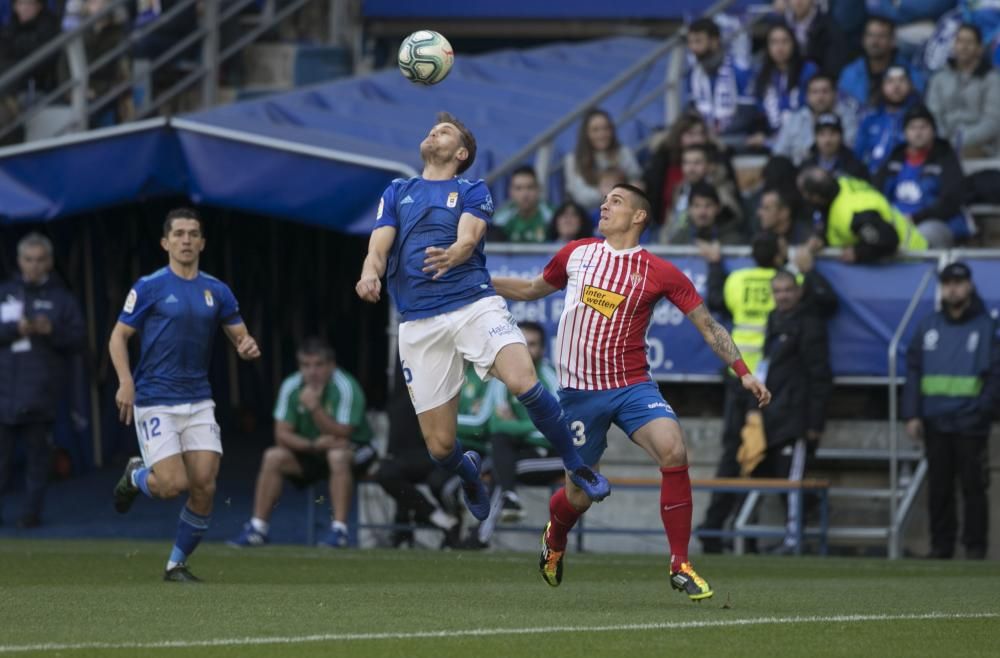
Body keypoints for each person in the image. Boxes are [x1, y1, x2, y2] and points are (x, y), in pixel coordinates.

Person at [492, 183, 771, 601]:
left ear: (639, 216)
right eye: (604, 200)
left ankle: (680, 563)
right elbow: (532, 290)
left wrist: (743, 371)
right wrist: (481, 282)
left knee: (674, 450)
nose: (605, 205)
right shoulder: (577, 253)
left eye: (616, 201)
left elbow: (708, 326)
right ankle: (557, 533)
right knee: (579, 496)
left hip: (633, 386)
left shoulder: (660, 272)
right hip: (580, 395)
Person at [355, 112, 610, 529]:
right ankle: (469, 474)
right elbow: (379, 243)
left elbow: (470, 236)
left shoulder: (471, 189)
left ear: (461, 153)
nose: (433, 131)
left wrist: (459, 250)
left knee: (524, 380)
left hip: (473, 304)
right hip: (419, 322)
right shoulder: (398, 190)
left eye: (445, 131)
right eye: (432, 127)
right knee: (439, 447)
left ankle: (576, 463)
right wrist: (369, 272)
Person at [110, 207, 261, 582]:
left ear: (203, 242)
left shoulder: (217, 290)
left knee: (205, 485)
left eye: (193, 234)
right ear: (165, 242)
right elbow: (118, 337)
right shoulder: (149, 287)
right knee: (171, 486)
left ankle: (175, 564)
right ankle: (136, 476)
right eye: (178, 234)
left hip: (198, 400)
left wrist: (246, 346)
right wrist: (125, 381)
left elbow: (239, 334)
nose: (186, 240)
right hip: (156, 398)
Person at [229, 338, 375, 548]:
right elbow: (281, 435)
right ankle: (257, 529)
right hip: (315, 450)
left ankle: (339, 531)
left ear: (331, 365)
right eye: (306, 365)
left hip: (356, 450)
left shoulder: (345, 386)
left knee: (337, 456)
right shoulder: (292, 385)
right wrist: (314, 445)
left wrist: (315, 408)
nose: (312, 372)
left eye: (318, 365)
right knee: (273, 456)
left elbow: (343, 435)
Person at [903, 262, 999, 560]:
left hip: (970, 422)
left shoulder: (986, 326)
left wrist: (981, 411)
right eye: (947, 283)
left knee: (973, 487)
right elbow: (914, 371)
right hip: (935, 420)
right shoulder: (928, 325)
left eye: (958, 282)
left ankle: (975, 547)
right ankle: (941, 546)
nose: (953, 288)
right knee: (939, 488)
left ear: (969, 285)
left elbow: (995, 375)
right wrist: (913, 413)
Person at [0, 233, 84, 528]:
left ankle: (31, 514)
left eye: (39, 260)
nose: (34, 266)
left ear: (48, 261)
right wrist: (13, 329)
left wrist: (52, 330)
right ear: (19, 261)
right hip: (4, 392)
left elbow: (79, 339)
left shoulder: (62, 298)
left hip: (40, 393)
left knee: (38, 458)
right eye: (28, 260)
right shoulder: (6, 292)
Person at [755, 269, 833, 553]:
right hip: (774, 415)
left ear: (798, 292)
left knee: (792, 478)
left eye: (788, 290)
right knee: (778, 475)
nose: (783, 296)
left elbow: (820, 375)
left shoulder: (809, 324)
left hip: (797, 416)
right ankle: (801, 522)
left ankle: (793, 539)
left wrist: (815, 421)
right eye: (778, 291)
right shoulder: (774, 321)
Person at [372, 360, 460, 550]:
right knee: (387, 472)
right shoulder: (402, 392)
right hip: (414, 454)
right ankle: (435, 517)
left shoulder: (446, 381)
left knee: (438, 480)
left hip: (443, 452)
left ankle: (442, 524)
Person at [874, 104, 971, 248]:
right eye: (912, 128)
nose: (918, 133)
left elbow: (951, 200)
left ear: (933, 130)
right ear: (905, 132)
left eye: (923, 127)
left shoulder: (945, 157)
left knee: (921, 235)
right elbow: (876, 192)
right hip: (894, 221)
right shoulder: (895, 158)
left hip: (934, 223)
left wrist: (914, 218)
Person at [797, 167, 927, 263]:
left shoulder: (853, 215)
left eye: (805, 195)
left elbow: (888, 239)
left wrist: (857, 252)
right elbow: (828, 213)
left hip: (911, 259)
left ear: (816, 198)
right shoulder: (842, 183)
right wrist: (820, 238)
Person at [926, 23, 1000, 158]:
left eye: (969, 42)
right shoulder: (939, 78)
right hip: (943, 144)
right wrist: (944, 140)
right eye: (959, 41)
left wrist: (959, 141)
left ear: (980, 48)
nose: (963, 47)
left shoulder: (992, 79)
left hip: (981, 147)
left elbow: (992, 122)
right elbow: (932, 115)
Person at [747, 23, 818, 142]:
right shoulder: (760, 74)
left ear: (794, 44)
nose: (779, 47)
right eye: (774, 42)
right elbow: (759, 112)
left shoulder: (809, 70)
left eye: (785, 41)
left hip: (804, 135)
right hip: (771, 137)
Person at [838, 16, 925, 110]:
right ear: (863, 40)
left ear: (892, 41)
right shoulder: (849, 74)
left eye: (881, 36)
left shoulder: (911, 74)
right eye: (870, 35)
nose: (875, 42)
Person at [563, 108, 642, 212]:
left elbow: (636, 180)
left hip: (622, 212)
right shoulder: (573, 159)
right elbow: (581, 196)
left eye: (606, 128)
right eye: (595, 130)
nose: (602, 134)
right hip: (588, 216)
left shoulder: (623, 152)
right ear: (586, 133)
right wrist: (614, 194)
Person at [772, 73, 860, 166]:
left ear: (835, 94)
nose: (820, 97)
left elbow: (850, 149)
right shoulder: (795, 119)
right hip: (798, 173)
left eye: (825, 91)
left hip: (838, 170)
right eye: (815, 92)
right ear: (807, 96)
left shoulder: (847, 117)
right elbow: (779, 153)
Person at [685, 17, 754, 134]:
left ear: (714, 41)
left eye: (698, 41)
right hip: (703, 136)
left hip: (733, 137)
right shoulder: (694, 73)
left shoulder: (738, 69)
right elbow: (692, 109)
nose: (693, 48)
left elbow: (746, 114)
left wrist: (718, 134)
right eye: (690, 42)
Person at [854, 66, 920, 174]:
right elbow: (858, 155)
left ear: (910, 85)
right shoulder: (869, 118)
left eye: (902, 80)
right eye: (890, 81)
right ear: (882, 86)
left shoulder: (919, 118)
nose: (896, 86)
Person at [664, 181, 745, 245]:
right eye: (697, 206)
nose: (702, 212)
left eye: (708, 205)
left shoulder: (733, 239)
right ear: (689, 209)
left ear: (718, 208)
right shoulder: (679, 239)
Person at [491, 166, 553, 243]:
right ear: (511, 192)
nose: (525, 194)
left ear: (538, 189)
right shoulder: (500, 220)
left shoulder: (552, 216)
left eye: (530, 187)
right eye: (518, 188)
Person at [801, 113, 870, 181]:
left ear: (841, 136)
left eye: (832, 133)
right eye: (822, 134)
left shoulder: (855, 167)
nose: (827, 140)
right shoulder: (806, 167)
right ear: (815, 137)